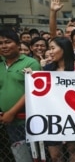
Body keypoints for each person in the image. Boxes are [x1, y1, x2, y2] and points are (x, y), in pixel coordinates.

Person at [0, 28, 41, 161]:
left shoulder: (31, 63)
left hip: (26, 120)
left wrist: (11, 112)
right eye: (0, 43)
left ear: (18, 44)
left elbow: (32, 91)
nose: (4, 46)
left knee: (30, 155)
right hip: (5, 121)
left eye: (7, 42)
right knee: (17, 155)